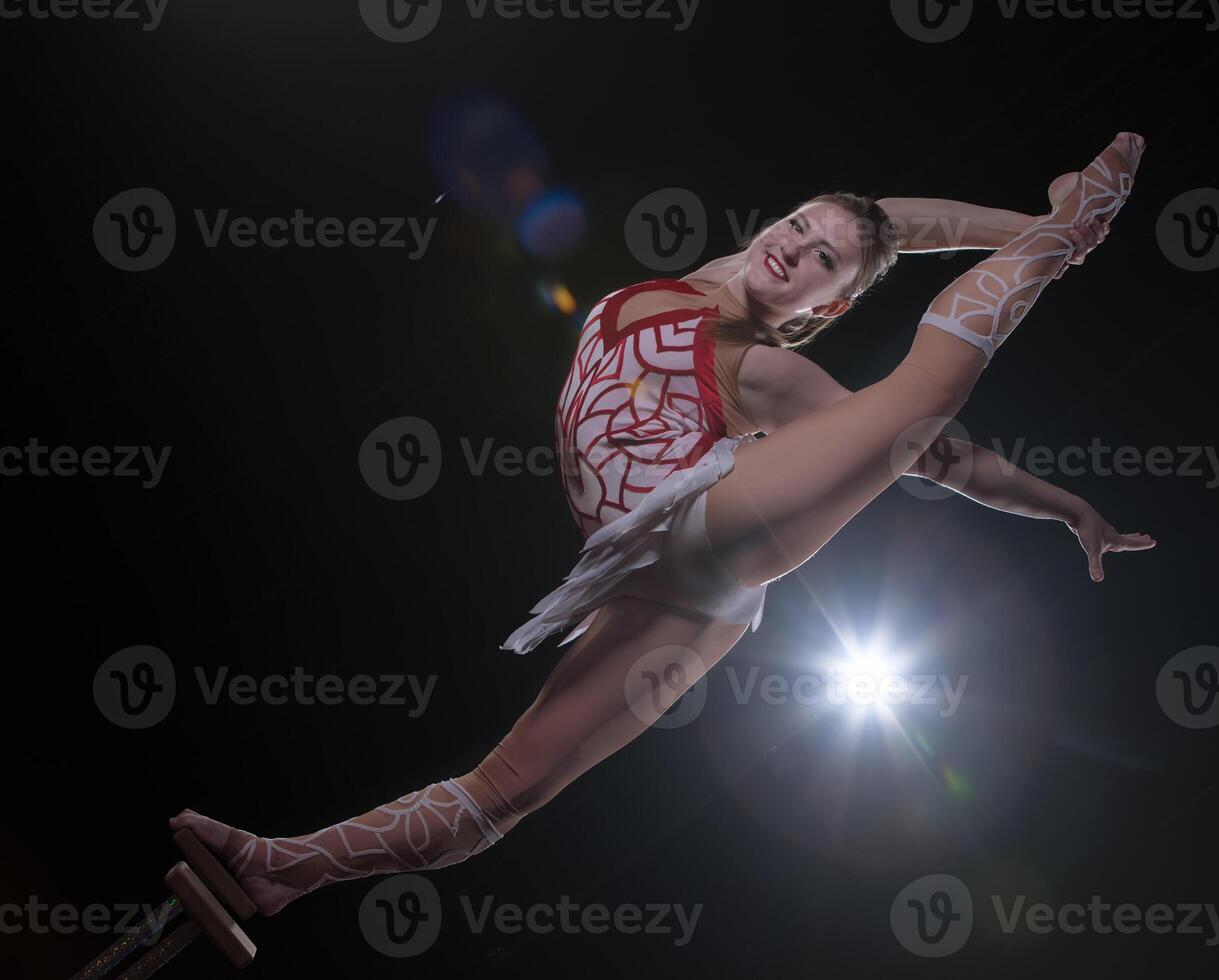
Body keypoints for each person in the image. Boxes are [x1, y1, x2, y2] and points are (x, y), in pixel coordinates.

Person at [171, 133, 1153, 918]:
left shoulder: (775, 371)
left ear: (832, 300)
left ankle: (1075, 237)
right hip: (657, 573)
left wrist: (1064, 504)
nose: (796, 249)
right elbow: (887, 218)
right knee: (506, 786)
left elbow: (939, 457)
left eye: (823, 260)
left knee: (912, 407)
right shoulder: (713, 283)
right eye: (796, 227)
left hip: (707, 528)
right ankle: (285, 867)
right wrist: (1033, 212)